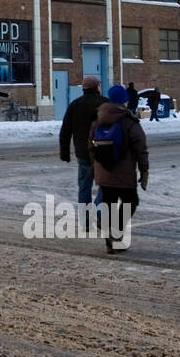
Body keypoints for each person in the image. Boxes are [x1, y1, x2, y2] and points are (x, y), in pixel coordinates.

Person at [89, 85, 149, 253]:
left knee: (109, 203)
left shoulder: (98, 118)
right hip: (124, 172)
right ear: (124, 101)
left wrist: (95, 166)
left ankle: (110, 238)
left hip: (104, 171)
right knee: (131, 201)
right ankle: (115, 233)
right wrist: (144, 170)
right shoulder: (129, 121)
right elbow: (141, 147)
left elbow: (91, 145)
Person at [59, 75, 106, 210]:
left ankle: (85, 221)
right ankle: (98, 212)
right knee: (104, 185)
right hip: (102, 151)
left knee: (84, 186)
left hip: (83, 151)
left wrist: (65, 152)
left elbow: (65, 130)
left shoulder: (75, 105)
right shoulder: (105, 104)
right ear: (97, 87)